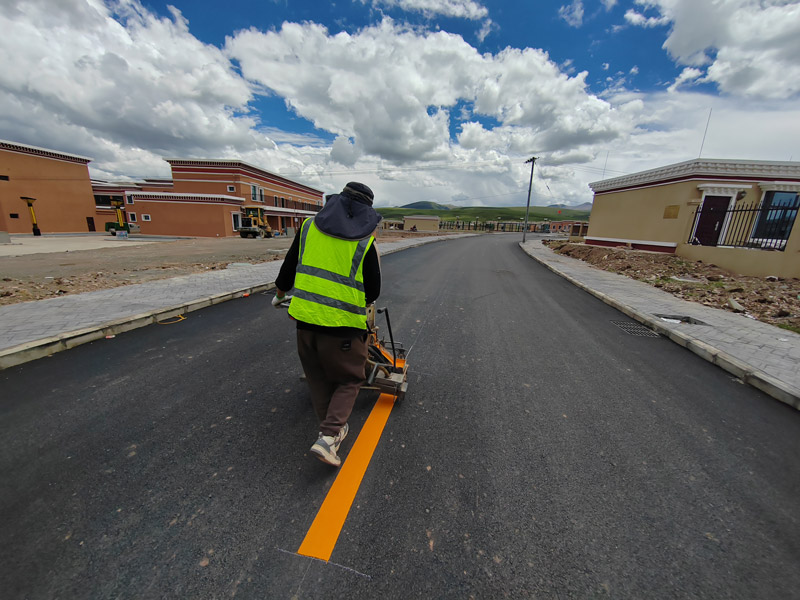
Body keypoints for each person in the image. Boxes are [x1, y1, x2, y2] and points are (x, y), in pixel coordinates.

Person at [273, 182, 382, 466]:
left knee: (318, 377)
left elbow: (288, 269)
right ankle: (331, 435)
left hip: (305, 323)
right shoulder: (365, 241)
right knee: (350, 378)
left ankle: (328, 430)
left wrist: (280, 295)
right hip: (344, 326)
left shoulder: (308, 227)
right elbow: (373, 291)